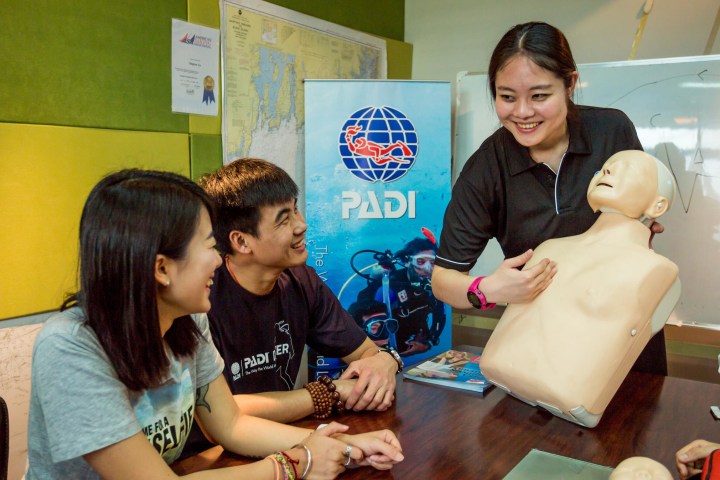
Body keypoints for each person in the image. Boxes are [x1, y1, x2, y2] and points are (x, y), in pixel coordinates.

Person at [26, 169, 403, 479]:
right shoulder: (70, 347)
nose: (219, 262)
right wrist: (294, 463)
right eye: (209, 247)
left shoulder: (187, 319)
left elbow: (231, 425)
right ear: (161, 268)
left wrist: (338, 446)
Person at [431, 21, 667, 375]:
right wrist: (488, 289)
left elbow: (644, 208)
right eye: (507, 97)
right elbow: (443, 280)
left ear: (570, 83)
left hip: (627, 327)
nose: (522, 113)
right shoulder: (485, 170)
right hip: (546, 344)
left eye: (539, 96)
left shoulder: (612, 131)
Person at [179, 158, 402, 458]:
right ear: (241, 241)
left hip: (282, 444)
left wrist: (386, 362)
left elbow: (367, 354)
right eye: (284, 219)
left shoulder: (301, 281)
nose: (302, 224)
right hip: (209, 458)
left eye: (295, 208)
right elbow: (221, 415)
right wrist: (327, 392)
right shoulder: (201, 298)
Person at [480, 150, 680, 427]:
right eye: (604, 168)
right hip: (502, 402)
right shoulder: (548, 249)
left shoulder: (655, 270)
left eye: (626, 170)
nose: (607, 172)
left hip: (576, 412)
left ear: (657, 206)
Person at [347, 237, 447, 357]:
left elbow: (439, 315)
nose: (427, 269)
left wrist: (429, 342)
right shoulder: (390, 288)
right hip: (389, 343)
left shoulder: (434, 287)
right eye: (420, 262)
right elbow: (375, 332)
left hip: (413, 334)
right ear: (407, 261)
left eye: (433, 263)